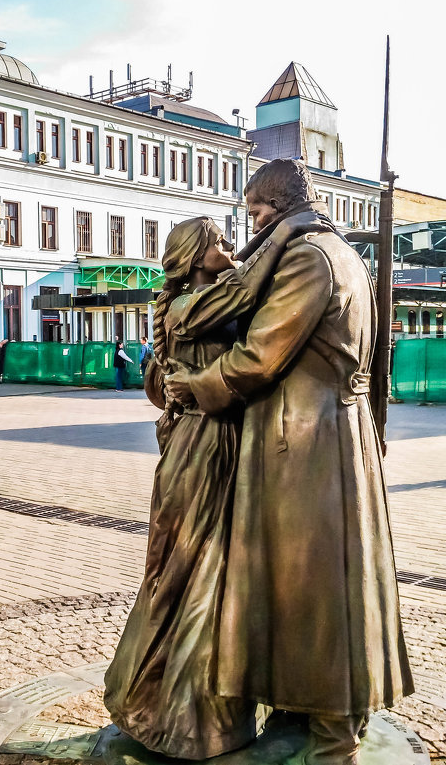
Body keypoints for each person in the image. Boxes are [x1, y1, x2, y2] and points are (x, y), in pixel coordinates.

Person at [166, 159, 414, 765]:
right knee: (297, 581)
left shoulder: (309, 258)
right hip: (324, 435)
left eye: (253, 212)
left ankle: (332, 735)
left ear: (276, 205)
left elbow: (260, 356)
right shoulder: (341, 252)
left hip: (306, 442)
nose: (249, 225)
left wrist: (195, 385)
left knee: (317, 586)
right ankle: (297, 706)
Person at [104, 216, 289, 758]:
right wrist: (283, 232)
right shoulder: (193, 305)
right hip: (203, 450)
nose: (231, 247)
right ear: (195, 253)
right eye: (221, 241)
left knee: (203, 568)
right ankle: (175, 713)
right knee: (193, 566)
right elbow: (247, 289)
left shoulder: (191, 305)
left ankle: (188, 704)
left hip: (208, 445)